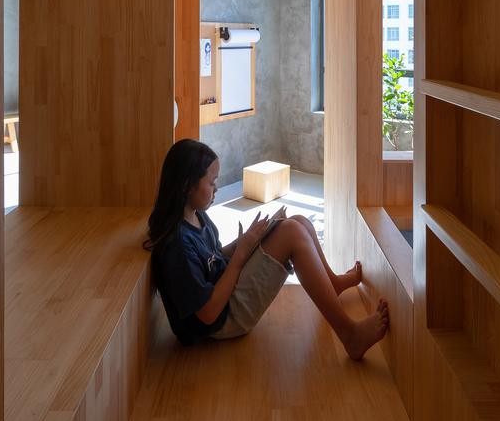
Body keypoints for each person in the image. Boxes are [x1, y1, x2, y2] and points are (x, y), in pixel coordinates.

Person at [145, 139, 389, 359]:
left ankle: (330, 284)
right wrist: (241, 254)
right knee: (291, 233)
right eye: (212, 182)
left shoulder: (196, 216)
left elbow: (215, 257)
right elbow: (208, 314)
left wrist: (246, 241)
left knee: (299, 222)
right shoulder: (178, 246)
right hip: (222, 320)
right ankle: (349, 335)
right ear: (187, 186)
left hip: (225, 291)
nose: (217, 188)